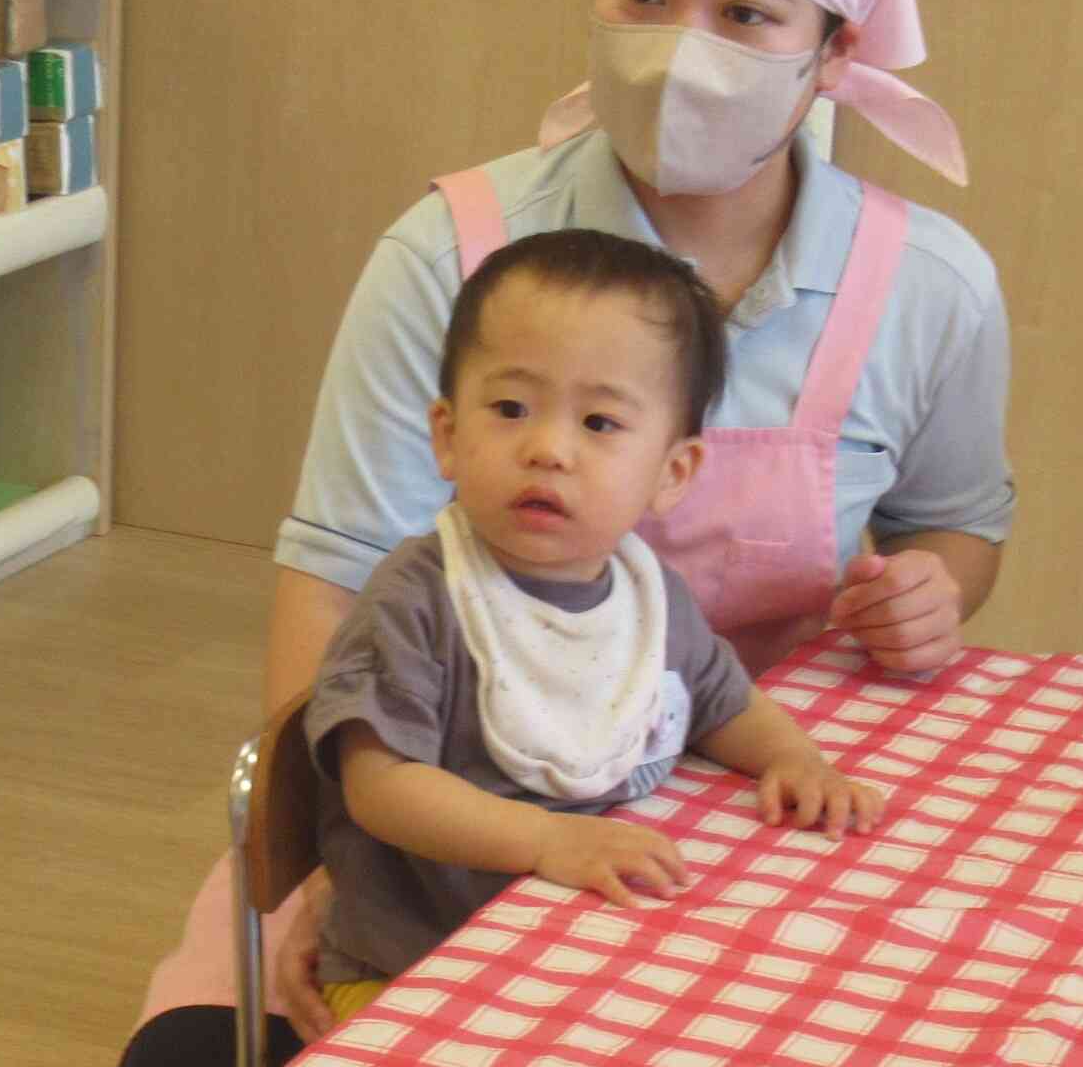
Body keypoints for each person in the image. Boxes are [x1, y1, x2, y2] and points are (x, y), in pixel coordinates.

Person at [99, 0, 1013, 1067]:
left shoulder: (928, 285)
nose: (681, 52)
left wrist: (932, 591)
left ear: (833, 51)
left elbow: (959, 524)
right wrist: (317, 888)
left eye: (748, 13)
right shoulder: (455, 246)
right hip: (440, 820)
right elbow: (337, 573)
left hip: (722, 816)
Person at [309, 231, 883, 1019]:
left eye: (601, 424)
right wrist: (548, 841)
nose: (548, 449)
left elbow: (724, 706)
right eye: (510, 409)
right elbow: (381, 789)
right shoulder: (417, 603)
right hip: (412, 967)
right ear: (447, 435)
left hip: (582, 949)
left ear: (672, 472)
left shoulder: (650, 601)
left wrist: (794, 757)